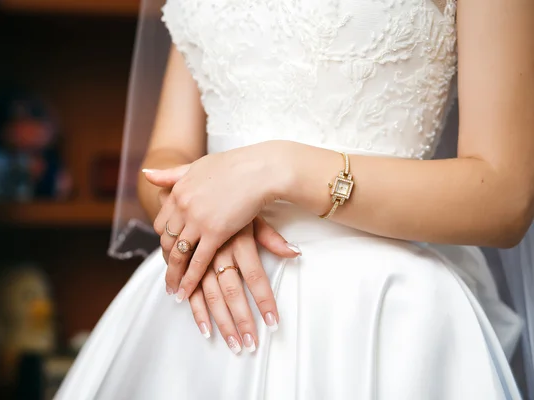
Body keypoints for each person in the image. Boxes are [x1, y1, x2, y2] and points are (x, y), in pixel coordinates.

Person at [56, 0, 534, 398]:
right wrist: (201, 219)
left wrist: (280, 169)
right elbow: (165, 157)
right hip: (203, 305)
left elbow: (505, 198)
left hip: (379, 314)